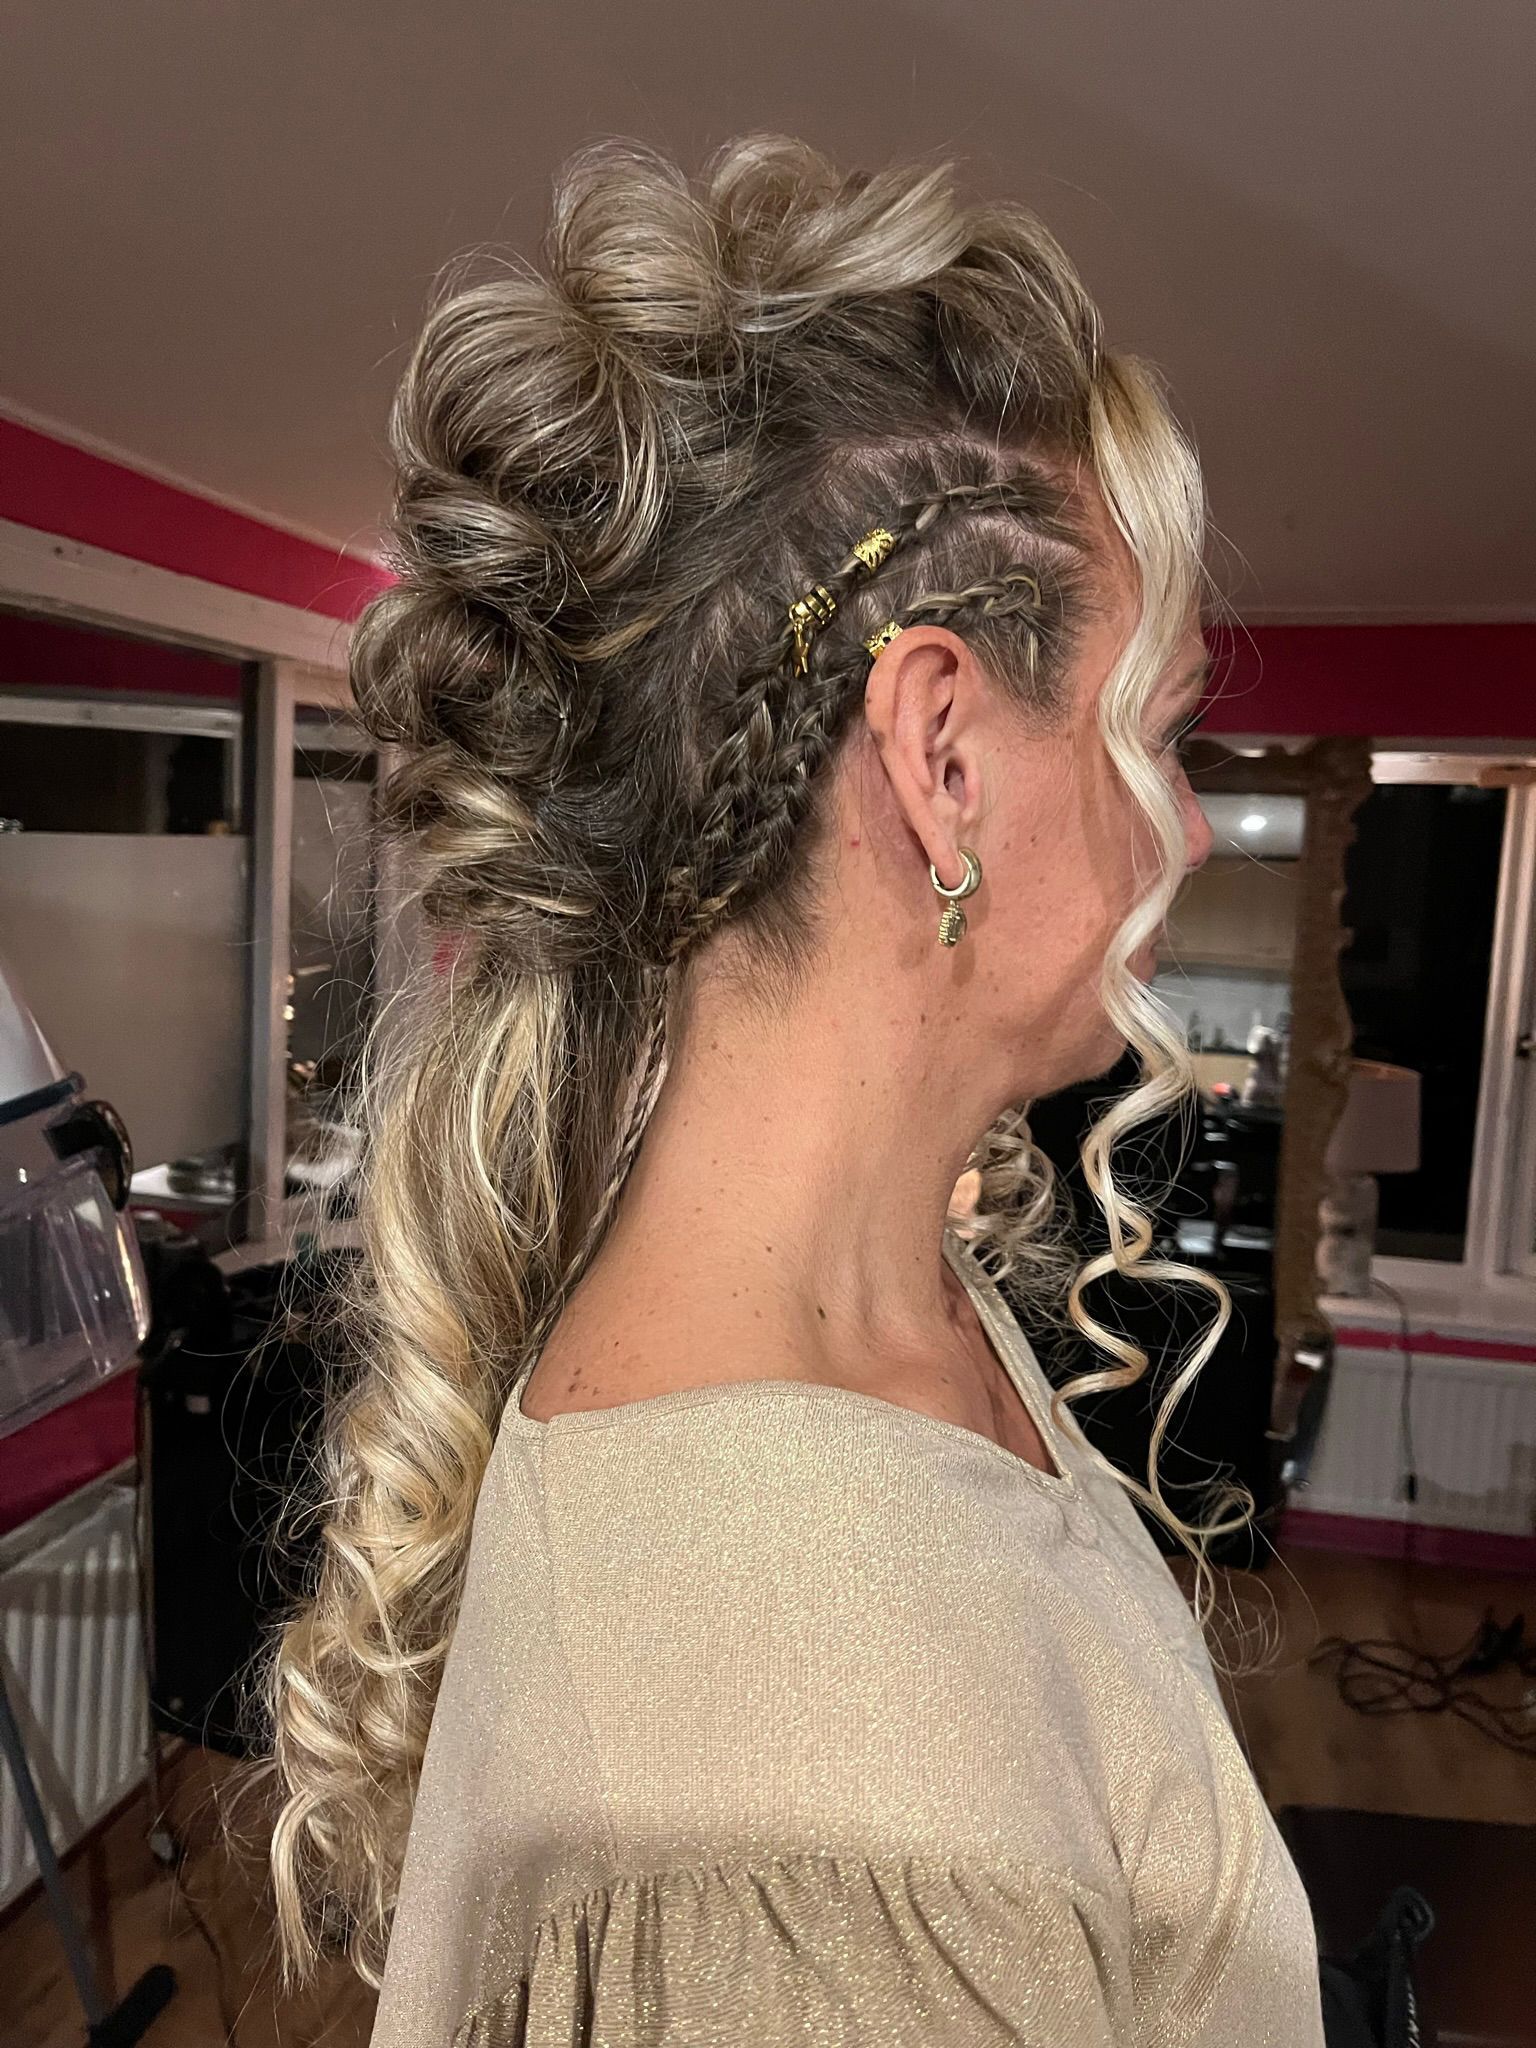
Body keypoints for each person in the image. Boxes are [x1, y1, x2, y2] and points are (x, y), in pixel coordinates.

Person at [267, 136, 1325, 2045]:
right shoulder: (817, 1822)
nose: (1178, 827)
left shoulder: (888, 1315)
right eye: (1156, 735)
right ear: (943, 758)